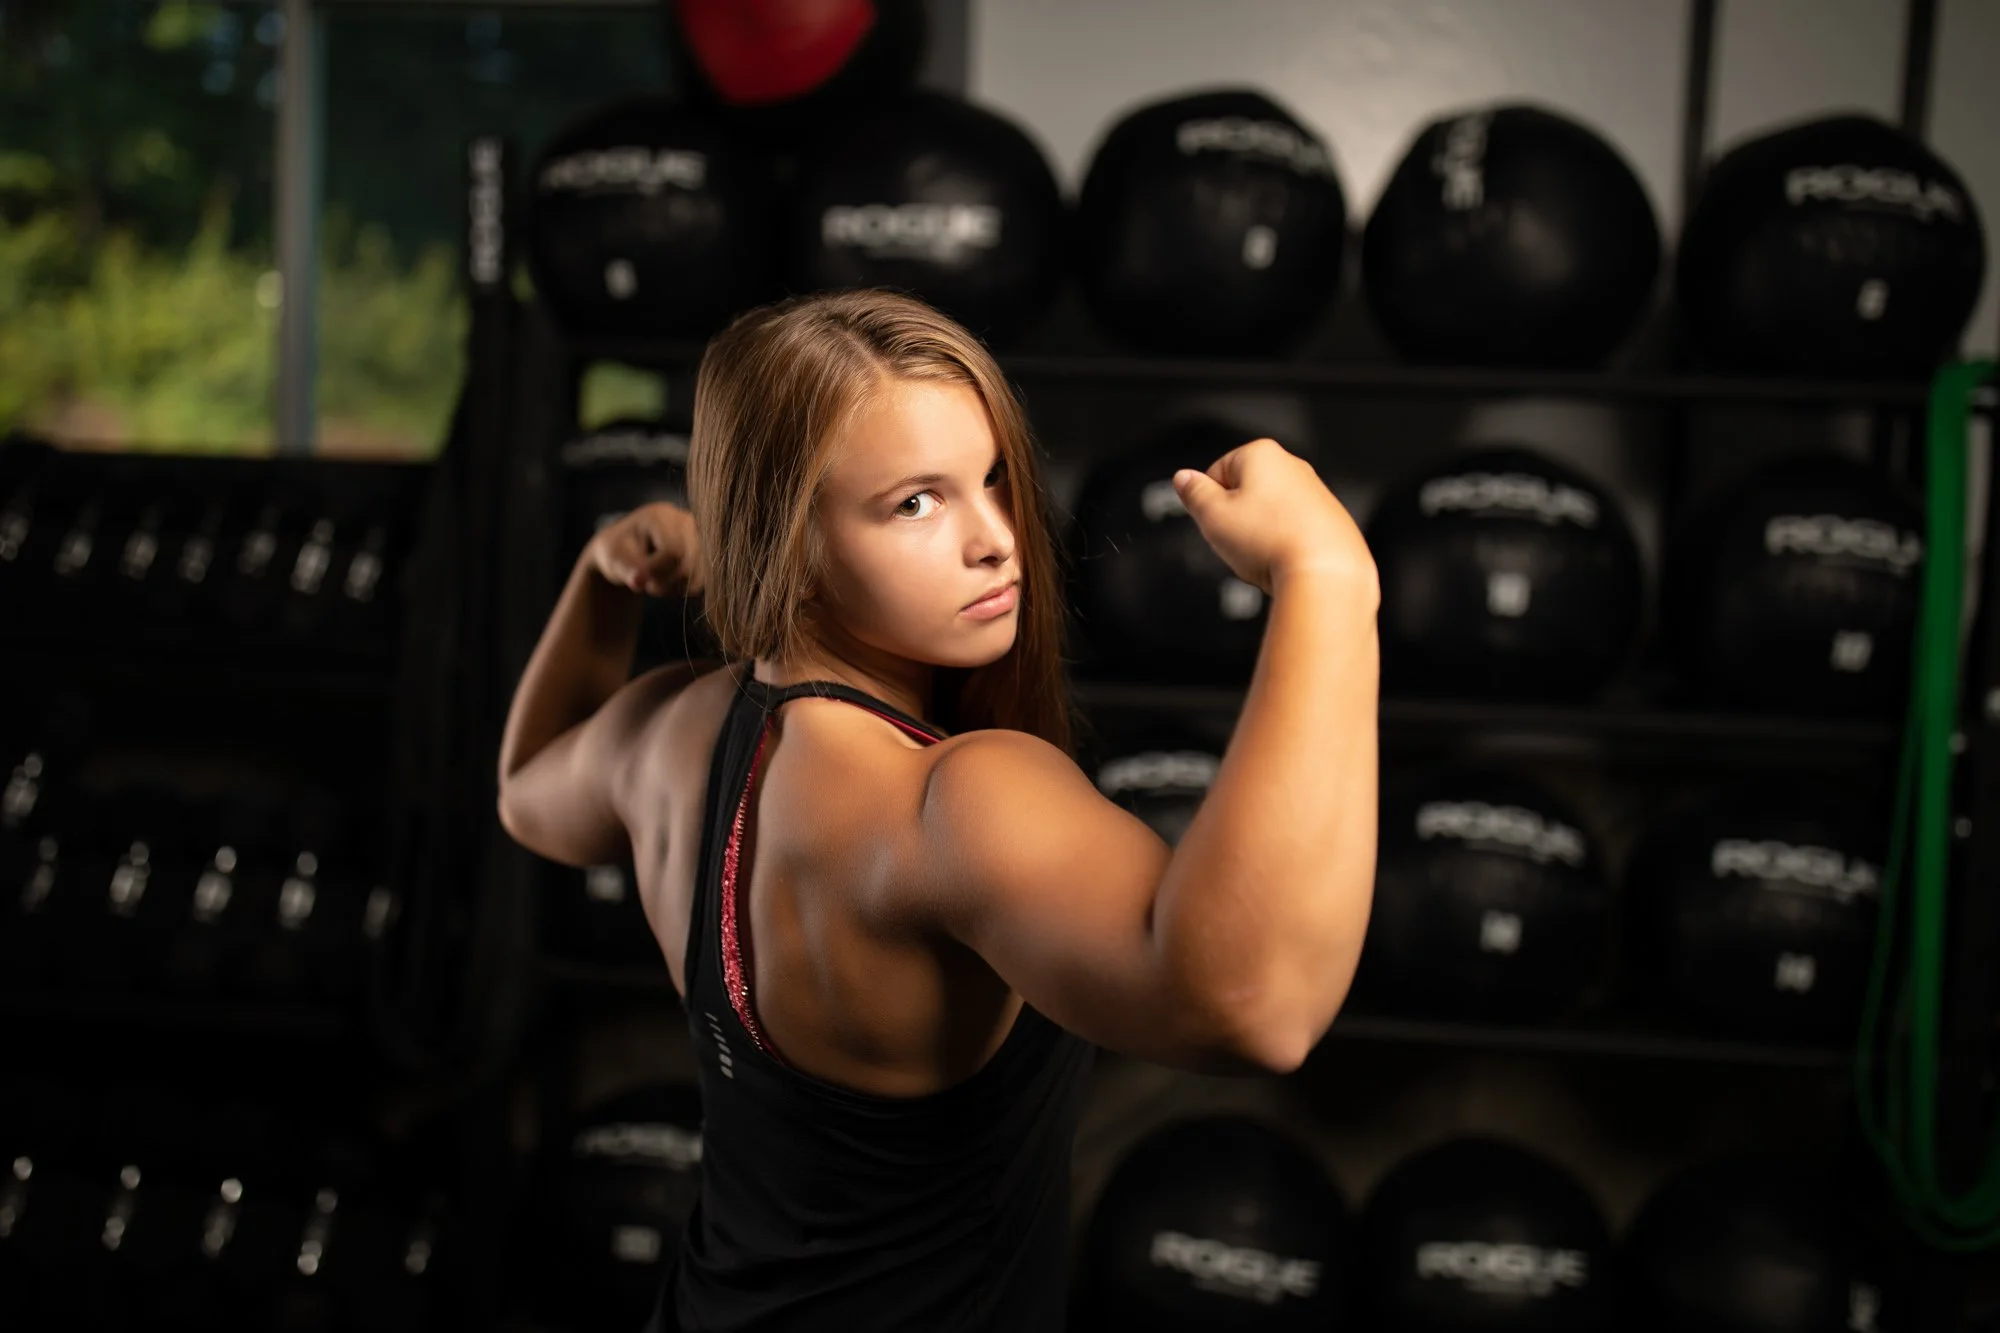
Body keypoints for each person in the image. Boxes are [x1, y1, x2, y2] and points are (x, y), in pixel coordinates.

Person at [496, 288, 1380, 1331]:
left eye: (993, 480)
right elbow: (1256, 1005)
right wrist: (1324, 575)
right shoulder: (950, 801)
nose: (997, 539)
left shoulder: (663, 738)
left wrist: (602, 580)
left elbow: (524, 787)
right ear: (790, 537)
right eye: (915, 502)